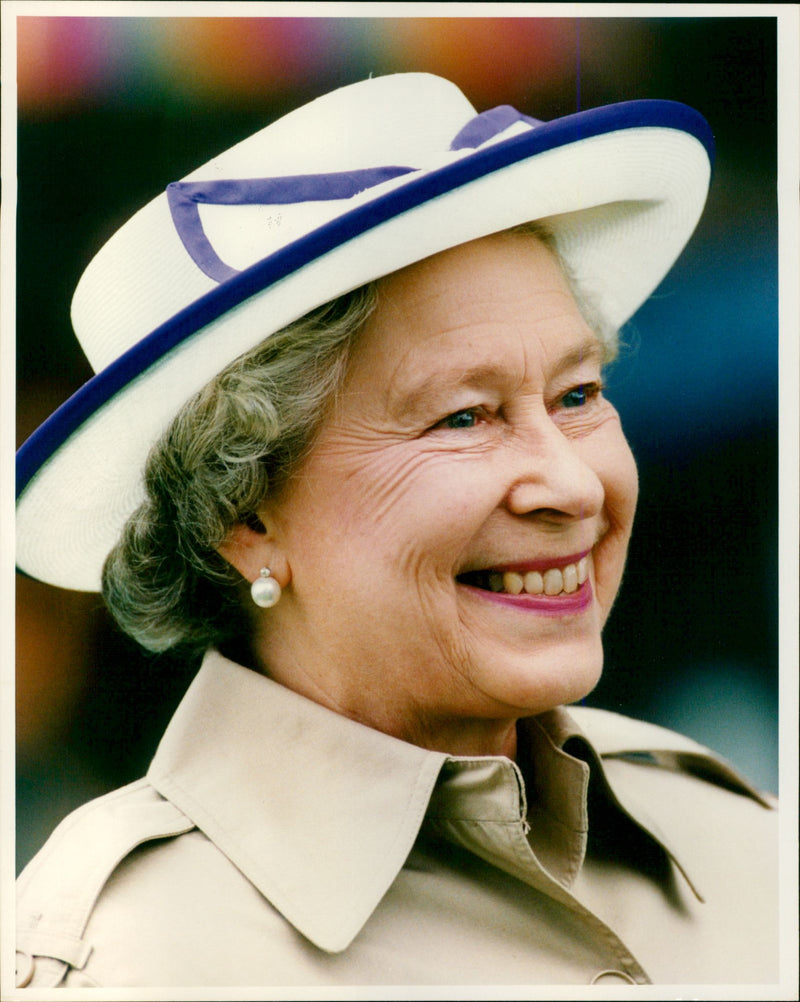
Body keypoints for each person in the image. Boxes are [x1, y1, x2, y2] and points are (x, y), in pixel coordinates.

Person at [15, 73, 777, 989]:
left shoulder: (748, 848)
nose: (572, 483)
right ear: (243, 515)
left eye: (579, 396)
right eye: (465, 417)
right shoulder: (131, 958)